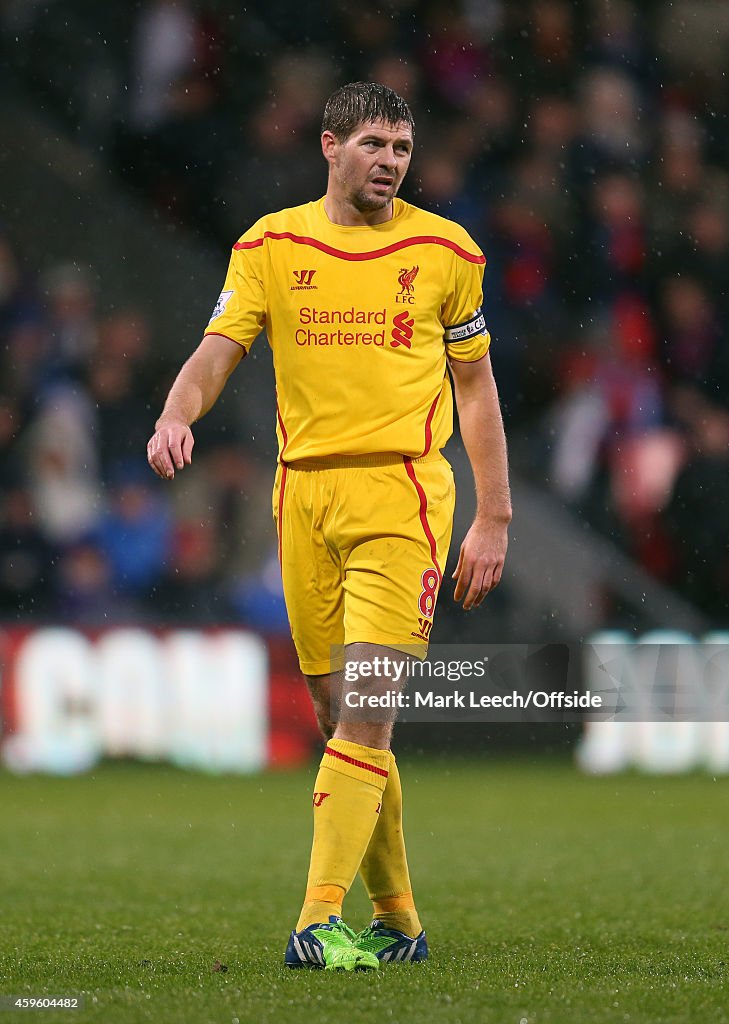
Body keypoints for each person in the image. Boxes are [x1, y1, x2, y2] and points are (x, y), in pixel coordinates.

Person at [147, 82, 511, 972]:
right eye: (375, 144)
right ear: (329, 145)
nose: (390, 162)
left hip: (404, 498)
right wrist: (175, 411)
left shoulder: (445, 250)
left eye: (402, 148)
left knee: (370, 712)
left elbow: (475, 387)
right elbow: (218, 348)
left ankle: (317, 918)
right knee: (335, 715)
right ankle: (401, 921)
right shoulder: (270, 245)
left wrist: (494, 513)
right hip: (302, 497)